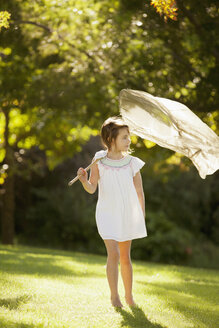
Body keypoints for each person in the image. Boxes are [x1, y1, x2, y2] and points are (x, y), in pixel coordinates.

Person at [77, 116, 147, 308]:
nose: (129, 140)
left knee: (125, 256)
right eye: (124, 137)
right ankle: (114, 296)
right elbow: (92, 187)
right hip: (107, 213)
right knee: (113, 253)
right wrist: (84, 180)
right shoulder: (99, 159)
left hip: (127, 215)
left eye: (129, 136)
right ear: (111, 139)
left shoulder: (132, 162)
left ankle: (129, 296)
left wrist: (140, 215)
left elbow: (140, 192)